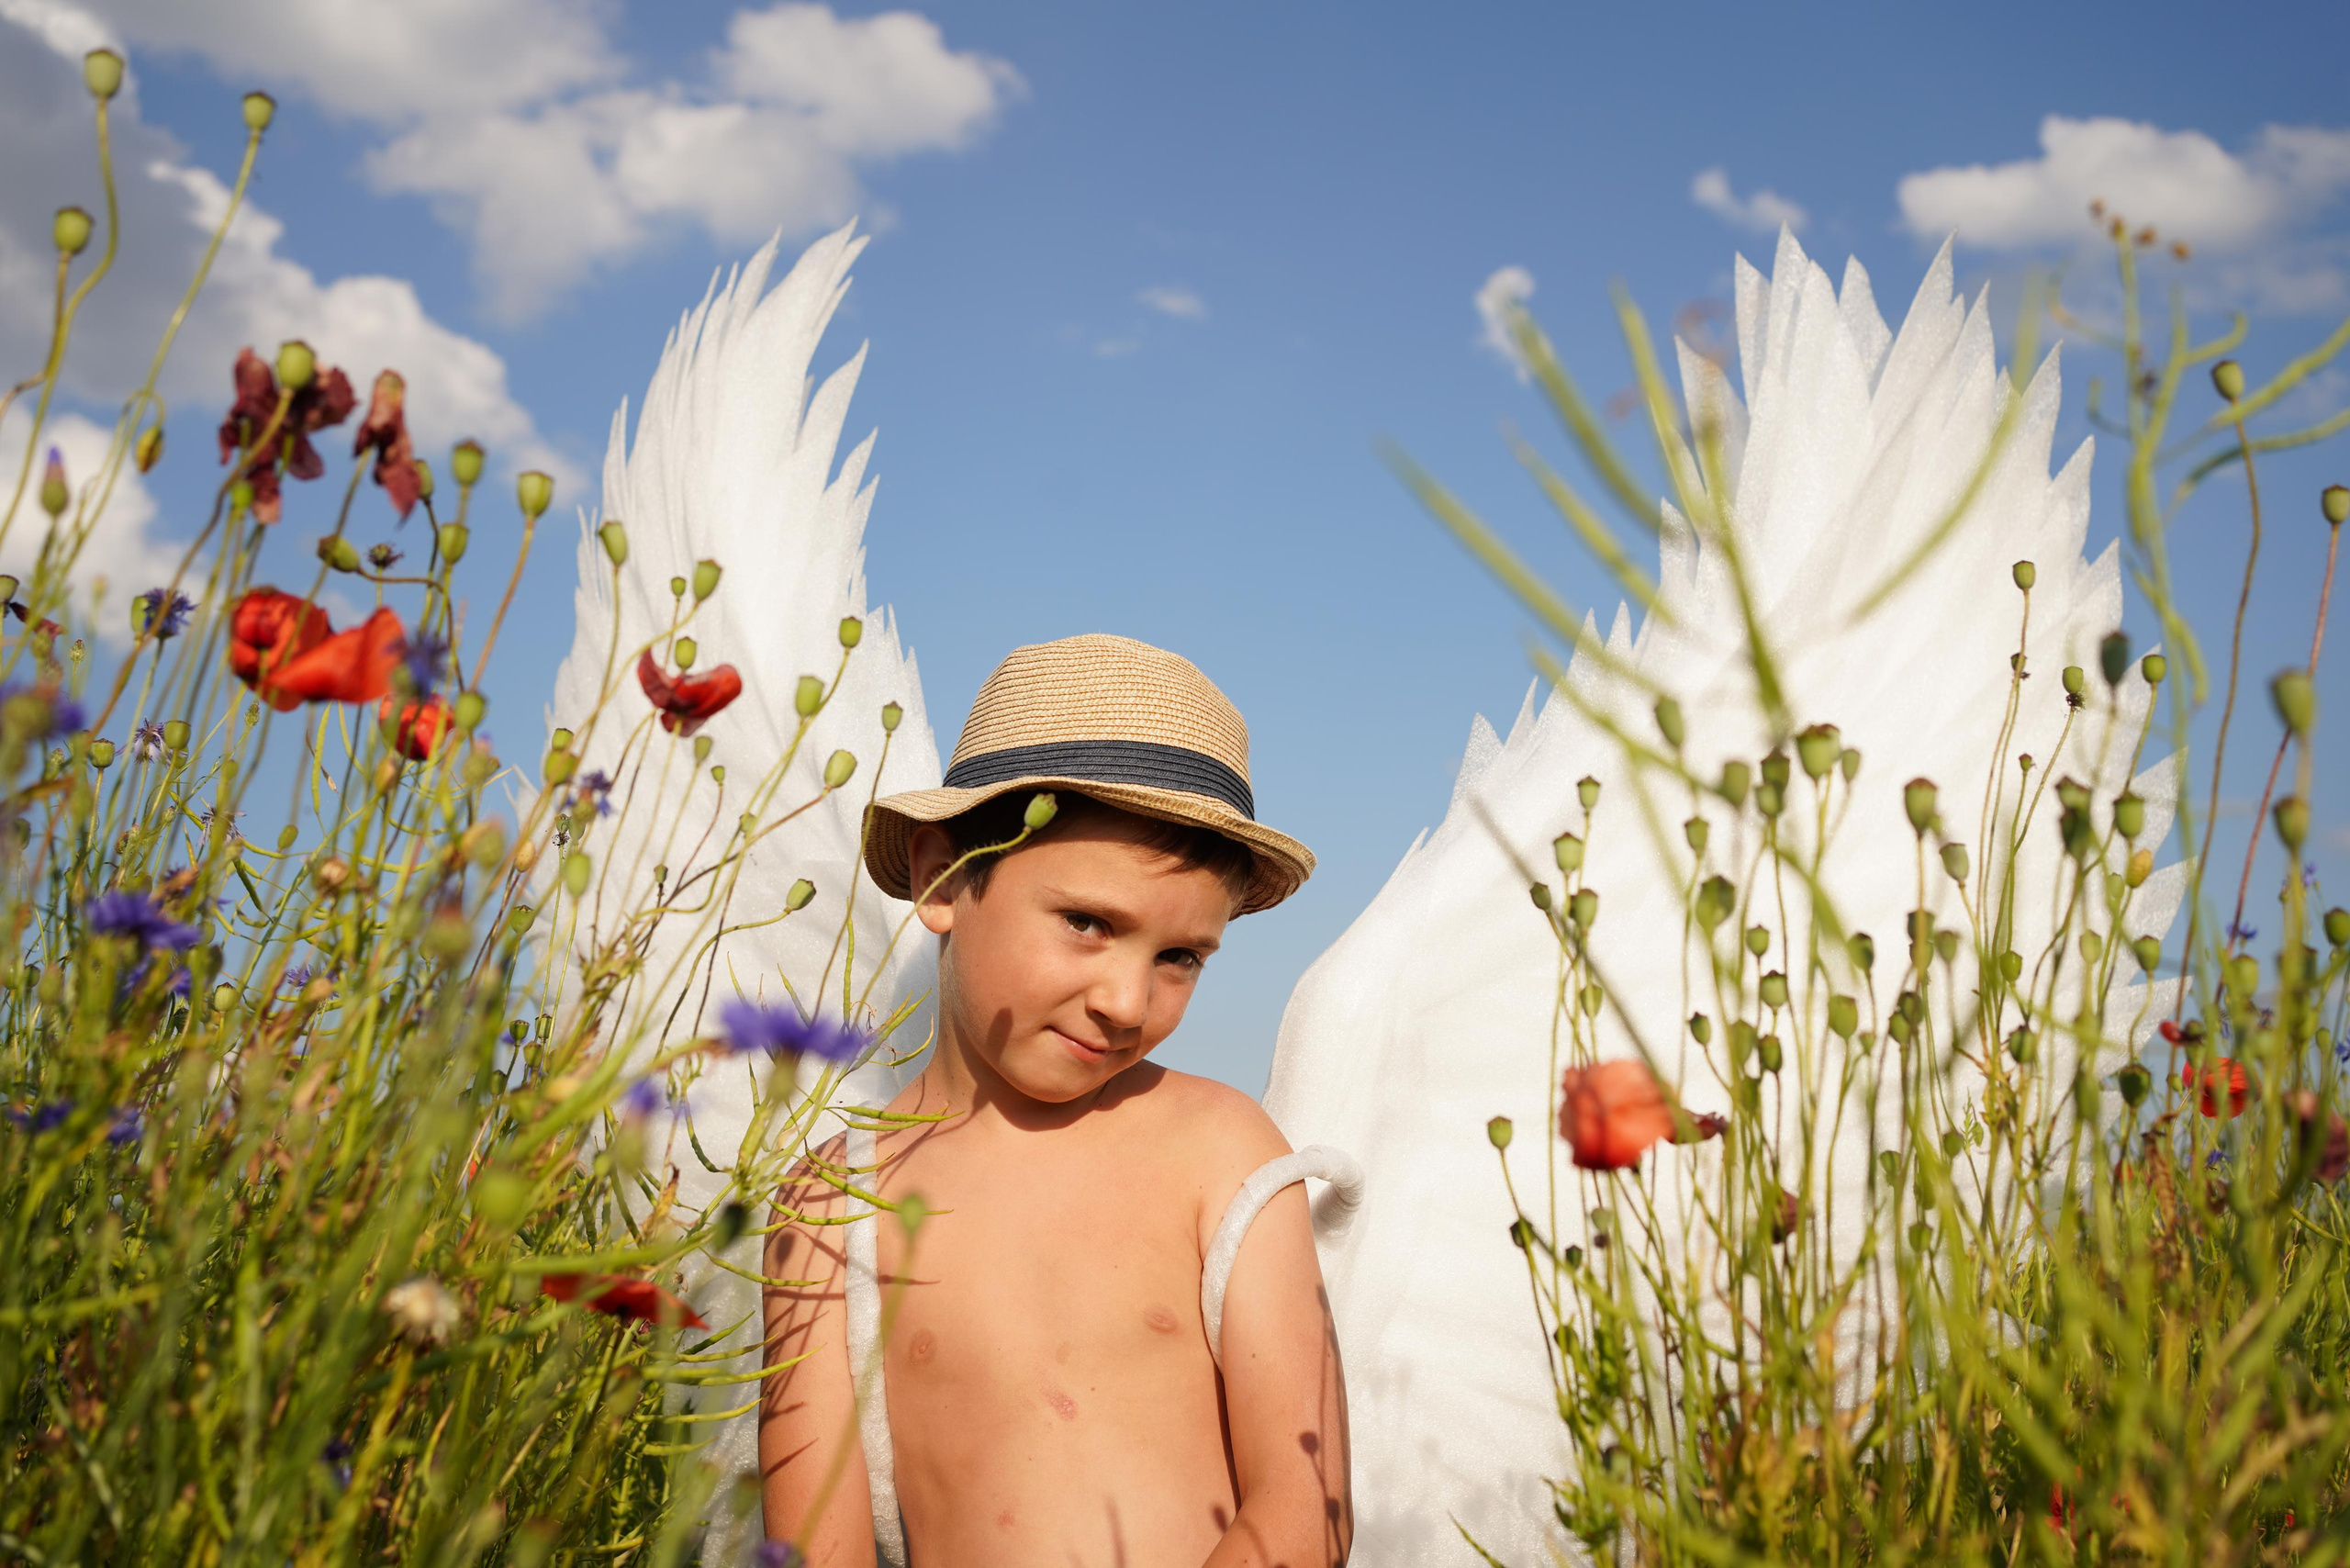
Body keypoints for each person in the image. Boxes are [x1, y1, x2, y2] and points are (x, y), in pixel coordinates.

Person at [759, 634, 1360, 1567]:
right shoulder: (832, 1206)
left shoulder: (1219, 1149)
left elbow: (1304, 1503)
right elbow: (809, 1549)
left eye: (1179, 958)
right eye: (1088, 923)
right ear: (941, 876)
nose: (1126, 1001)